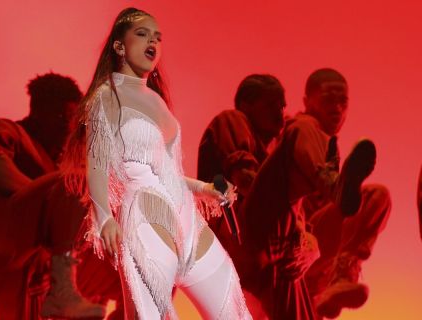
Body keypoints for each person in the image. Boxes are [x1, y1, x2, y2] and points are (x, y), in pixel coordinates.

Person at [63, 7, 252, 319]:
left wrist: (205, 188)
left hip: (186, 218)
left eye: (157, 37)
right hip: (145, 214)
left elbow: (166, 173)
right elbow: (97, 162)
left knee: (233, 309)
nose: (153, 41)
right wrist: (104, 217)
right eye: (142, 34)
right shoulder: (106, 96)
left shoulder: (156, 99)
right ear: (119, 46)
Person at [0, 73, 111, 319]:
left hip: (23, 266)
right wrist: (47, 201)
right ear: (39, 112)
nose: (68, 126)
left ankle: (73, 292)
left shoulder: (56, 158)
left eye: (73, 119)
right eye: (63, 117)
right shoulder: (7, 129)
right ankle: (62, 288)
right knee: (77, 181)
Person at [242, 68, 391, 319]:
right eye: (327, 100)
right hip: (284, 248)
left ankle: (339, 278)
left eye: (342, 102)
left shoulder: (327, 145)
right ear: (307, 101)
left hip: (312, 263)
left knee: (377, 198)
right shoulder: (298, 129)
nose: (336, 108)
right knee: (374, 195)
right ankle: (332, 184)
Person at [197, 74, 286, 318]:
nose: (280, 112)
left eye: (282, 106)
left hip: (253, 258)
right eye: (272, 104)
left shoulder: (267, 149)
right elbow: (245, 180)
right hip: (231, 232)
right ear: (247, 103)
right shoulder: (234, 120)